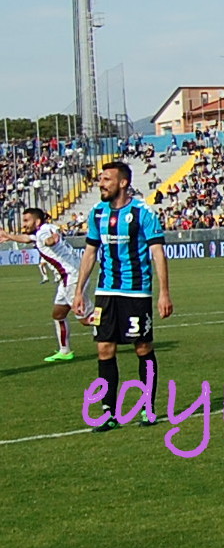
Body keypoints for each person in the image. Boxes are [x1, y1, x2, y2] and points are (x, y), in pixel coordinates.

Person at [72, 161, 173, 430]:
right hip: (105, 291)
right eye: (101, 179)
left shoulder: (143, 212)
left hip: (136, 292)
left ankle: (148, 408)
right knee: (104, 348)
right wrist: (79, 290)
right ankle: (108, 413)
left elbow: (157, 253)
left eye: (107, 179)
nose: (101, 184)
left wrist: (163, 293)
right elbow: (90, 252)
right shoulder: (96, 213)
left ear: (123, 182)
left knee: (142, 347)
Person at [0, 207, 91, 363]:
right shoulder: (45, 229)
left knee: (85, 318)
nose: (24, 224)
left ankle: (116, 320)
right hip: (67, 278)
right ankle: (65, 351)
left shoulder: (43, 232)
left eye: (27, 220)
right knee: (58, 314)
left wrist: (51, 240)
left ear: (37, 221)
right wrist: (9, 236)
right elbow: (28, 239)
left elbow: (48, 240)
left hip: (72, 278)